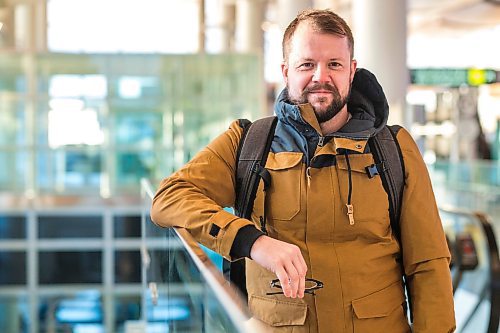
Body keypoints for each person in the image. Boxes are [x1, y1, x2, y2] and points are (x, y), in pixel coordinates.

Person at [151, 9, 456, 333]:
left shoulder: (394, 149)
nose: (320, 77)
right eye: (307, 64)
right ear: (286, 71)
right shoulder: (250, 143)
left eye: (334, 64)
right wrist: (251, 241)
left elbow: (428, 264)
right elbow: (168, 198)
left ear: (352, 71)